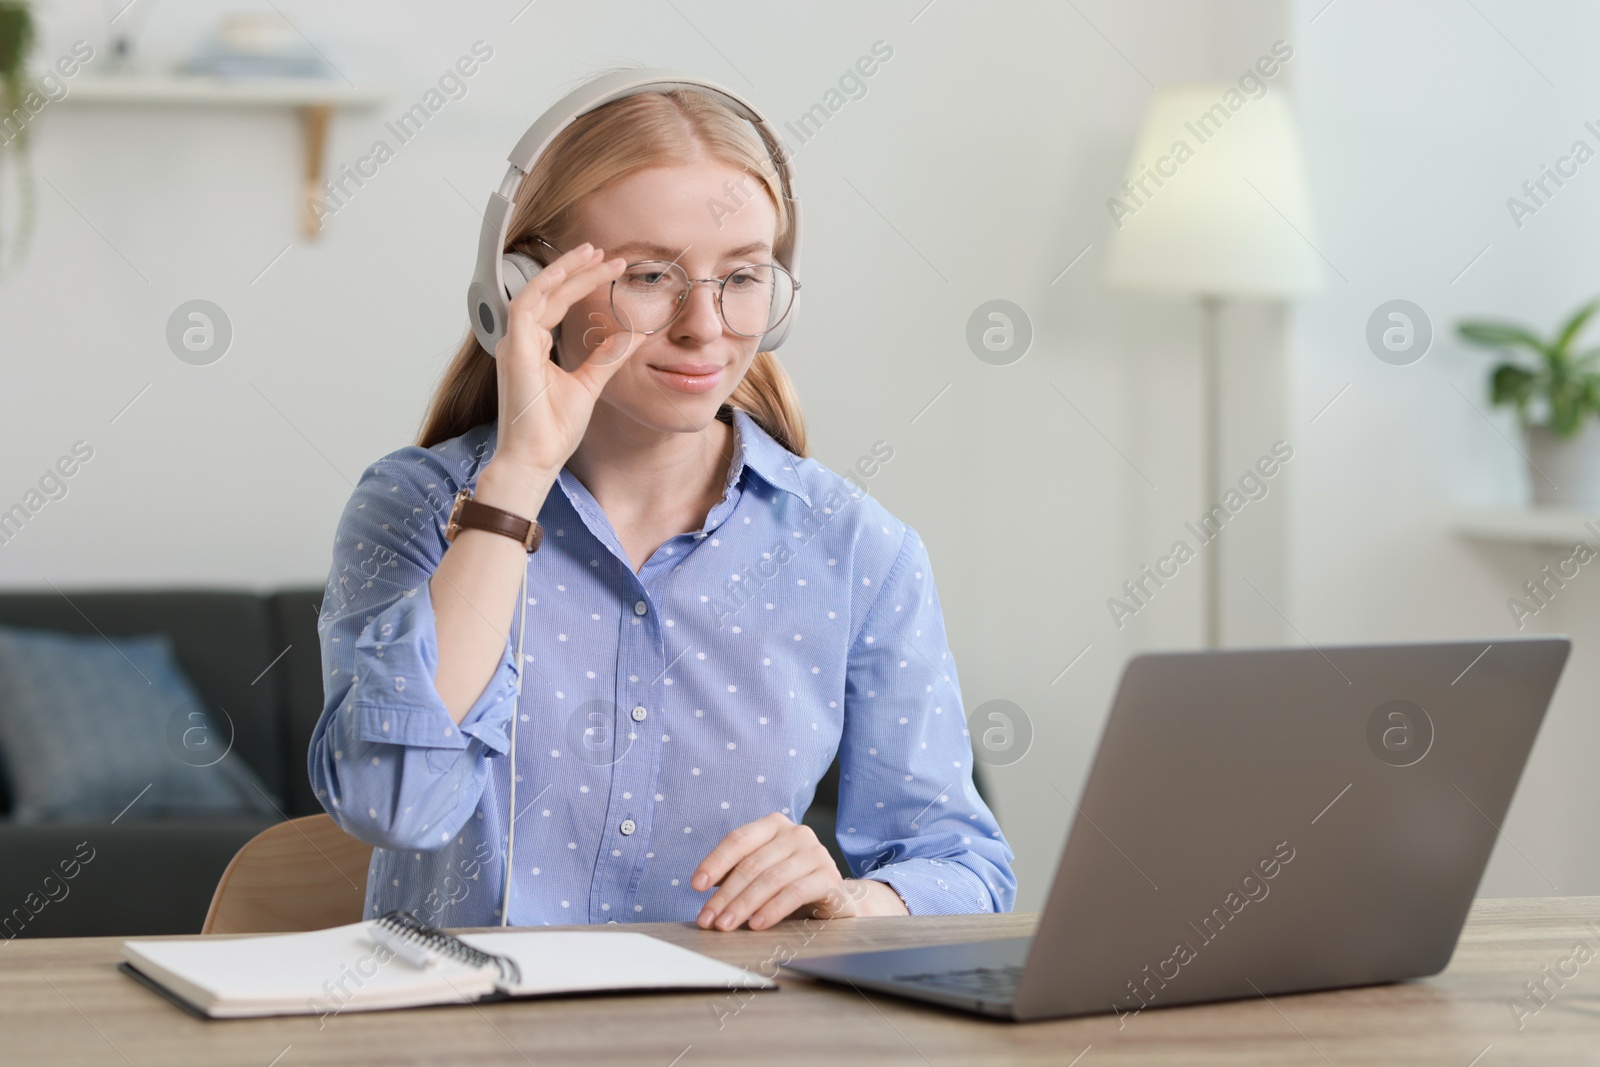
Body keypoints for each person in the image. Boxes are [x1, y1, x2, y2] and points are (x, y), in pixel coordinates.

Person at [309, 71, 1016, 932]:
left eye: (744, 276)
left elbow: (965, 864)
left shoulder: (858, 547)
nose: (706, 327)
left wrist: (850, 896)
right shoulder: (416, 507)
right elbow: (393, 806)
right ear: (526, 286)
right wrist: (520, 474)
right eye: (650, 275)